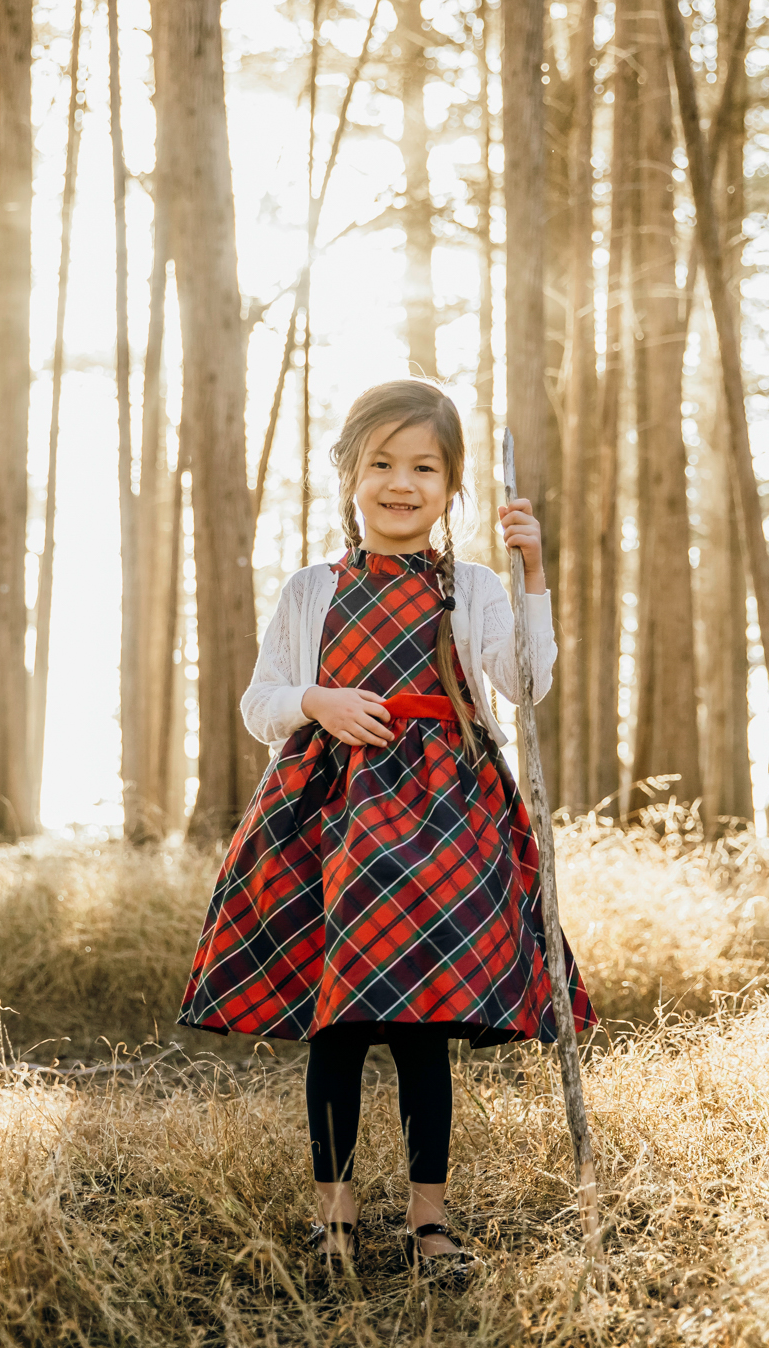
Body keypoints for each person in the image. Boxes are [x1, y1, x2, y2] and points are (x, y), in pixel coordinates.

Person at [175, 377, 598, 1287]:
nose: (401, 483)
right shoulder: (312, 589)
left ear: (452, 488)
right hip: (333, 817)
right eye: (382, 463)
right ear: (349, 474)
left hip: (447, 816)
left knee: (423, 1023)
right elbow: (260, 705)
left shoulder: (474, 586)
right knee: (341, 1022)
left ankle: (427, 1220)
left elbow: (523, 684)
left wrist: (535, 577)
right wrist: (315, 701)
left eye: (424, 467)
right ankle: (334, 1219)